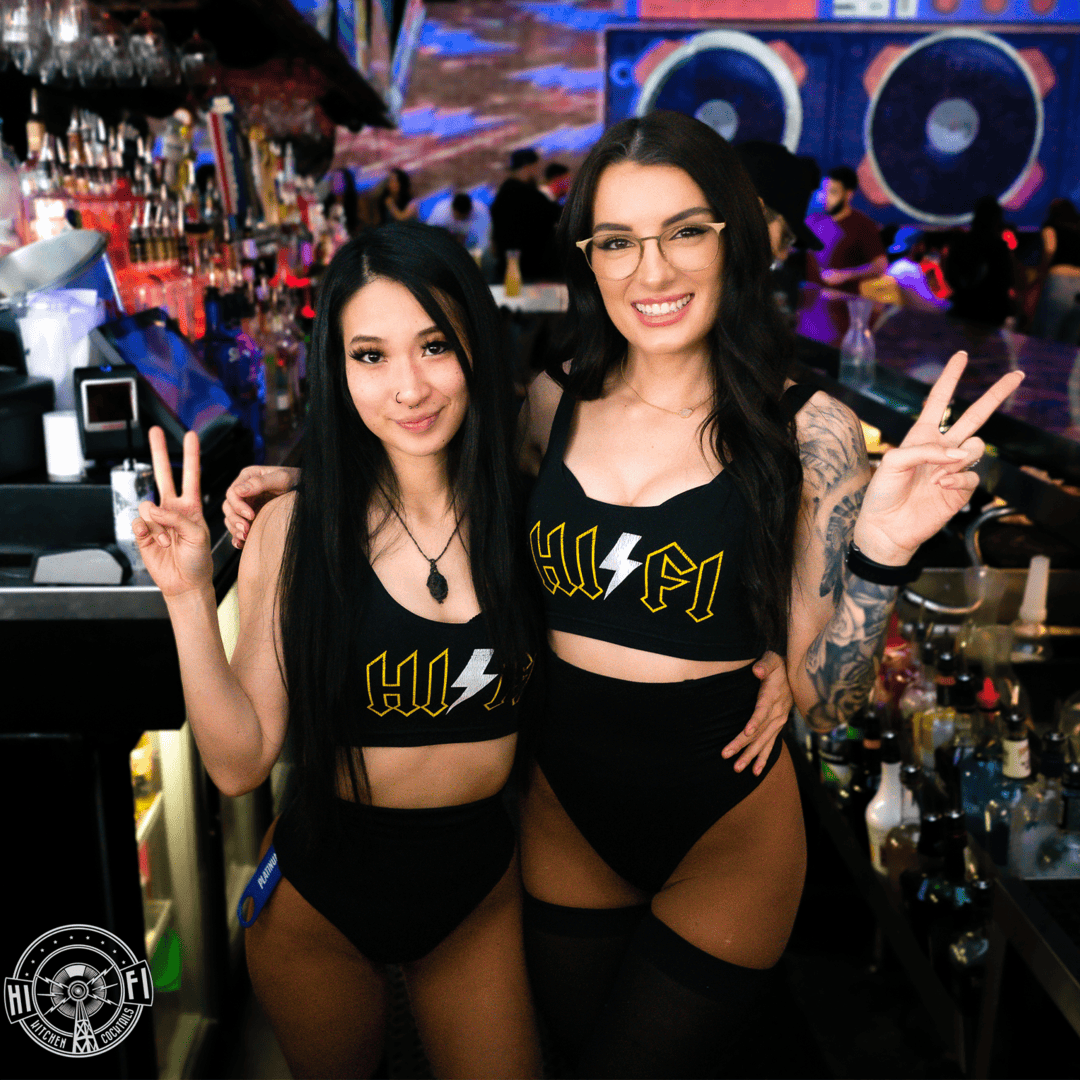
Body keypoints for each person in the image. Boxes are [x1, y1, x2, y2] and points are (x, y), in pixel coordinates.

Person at [222, 113, 1021, 1077]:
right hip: (565, 819)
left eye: (685, 231)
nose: (653, 271)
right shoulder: (554, 399)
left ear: (735, 234)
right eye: (617, 241)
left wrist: (884, 550)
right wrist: (310, 489)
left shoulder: (811, 430)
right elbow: (442, 470)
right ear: (588, 260)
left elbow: (829, 700)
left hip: (726, 827)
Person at [133, 222, 542, 1079]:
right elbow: (241, 763)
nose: (408, 387)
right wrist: (187, 598)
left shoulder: (531, 512)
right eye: (370, 355)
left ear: (474, 341)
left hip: (476, 890)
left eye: (434, 345)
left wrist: (754, 668)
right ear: (336, 369)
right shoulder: (297, 525)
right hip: (320, 902)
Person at [806, 165, 888, 293]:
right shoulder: (813, 220)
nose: (826, 197)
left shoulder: (862, 225)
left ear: (848, 195)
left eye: (833, 192)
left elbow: (881, 265)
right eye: (824, 191)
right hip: (811, 300)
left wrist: (846, 274)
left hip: (845, 302)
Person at [943, 195, 1018, 327]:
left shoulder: (961, 244)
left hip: (963, 309)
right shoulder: (999, 248)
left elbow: (951, 276)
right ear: (997, 219)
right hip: (992, 315)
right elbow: (1008, 280)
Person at [490, 147, 562, 283]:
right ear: (528, 167)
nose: (537, 172)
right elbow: (557, 215)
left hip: (509, 272)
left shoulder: (503, 195)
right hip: (532, 275)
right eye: (536, 167)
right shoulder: (528, 196)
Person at [1028, 197, 1080, 343]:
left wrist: (1040, 275)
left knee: (1047, 333)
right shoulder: (1078, 230)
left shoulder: (1051, 227)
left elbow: (1050, 249)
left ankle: (1040, 366)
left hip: (1059, 280)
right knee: (1071, 339)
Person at [886, 226, 951, 313]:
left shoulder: (897, 266)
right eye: (922, 242)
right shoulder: (907, 269)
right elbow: (925, 303)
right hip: (904, 320)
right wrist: (949, 306)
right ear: (916, 245)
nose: (923, 246)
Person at [426, 190, 492, 253]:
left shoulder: (481, 211)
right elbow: (429, 236)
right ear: (453, 209)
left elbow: (484, 240)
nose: (460, 220)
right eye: (458, 217)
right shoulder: (440, 213)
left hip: (469, 244)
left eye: (463, 217)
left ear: (470, 211)